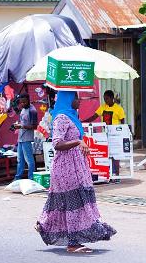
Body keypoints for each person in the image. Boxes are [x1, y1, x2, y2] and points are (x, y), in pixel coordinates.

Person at [35, 91, 116, 253]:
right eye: (76, 98)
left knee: (68, 202)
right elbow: (56, 144)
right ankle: (73, 243)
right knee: (74, 203)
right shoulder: (61, 118)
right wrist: (78, 142)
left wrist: (80, 144)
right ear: (68, 99)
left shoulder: (72, 116)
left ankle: (44, 224)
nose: (80, 101)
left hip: (76, 165)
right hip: (66, 168)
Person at [83, 90, 125, 182]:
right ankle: (109, 175)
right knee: (107, 155)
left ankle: (116, 175)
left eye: (107, 98)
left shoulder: (119, 109)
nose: (105, 100)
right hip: (105, 134)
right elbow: (94, 116)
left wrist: (122, 133)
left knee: (115, 156)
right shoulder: (103, 107)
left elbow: (123, 122)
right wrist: (83, 121)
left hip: (115, 135)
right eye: (104, 98)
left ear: (112, 98)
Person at [14, 93, 38, 180]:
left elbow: (34, 126)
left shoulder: (32, 111)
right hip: (20, 138)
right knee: (20, 160)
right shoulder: (23, 109)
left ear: (28, 100)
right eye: (21, 102)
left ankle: (31, 178)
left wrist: (21, 126)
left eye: (24, 102)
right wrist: (17, 125)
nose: (23, 104)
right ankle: (17, 178)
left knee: (29, 160)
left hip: (27, 138)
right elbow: (23, 122)